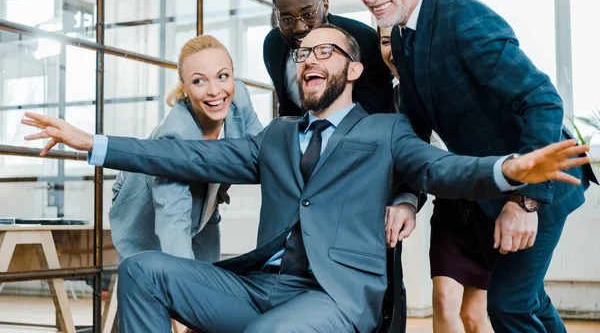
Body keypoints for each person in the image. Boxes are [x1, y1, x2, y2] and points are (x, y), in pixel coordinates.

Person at [21, 26, 590, 333]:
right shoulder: (275, 135)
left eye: (326, 49)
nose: (310, 58)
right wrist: (89, 142)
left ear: (355, 68)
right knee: (144, 270)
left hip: (335, 297)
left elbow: (441, 170)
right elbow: (184, 158)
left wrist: (508, 171)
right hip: (262, 287)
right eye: (303, 52)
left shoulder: (387, 132)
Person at [354, 0, 598, 332]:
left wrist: (526, 202)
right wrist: (406, 199)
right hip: (491, 193)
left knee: (509, 305)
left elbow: (542, 100)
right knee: (527, 299)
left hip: (543, 182)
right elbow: (414, 131)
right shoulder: (401, 37)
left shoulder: (461, 18)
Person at [109, 35, 263, 261]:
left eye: (223, 76)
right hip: (145, 210)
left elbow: (262, 152)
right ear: (184, 87)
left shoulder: (239, 97)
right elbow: (173, 220)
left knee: (209, 284)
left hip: (203, 207)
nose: (214, 91)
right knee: (165, 279)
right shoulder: (175, 135)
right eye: (199, 81)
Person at [380, 24, 493, 332]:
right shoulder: (391, 99)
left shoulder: (455, 81)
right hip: (449, 207)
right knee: (443, 300)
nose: (393, 49)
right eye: (385, 41)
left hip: (487, 206)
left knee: (475, 315)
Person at [263, 0, 393, 116]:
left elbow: (375, 108)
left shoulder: (365, 40)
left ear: (325, 5)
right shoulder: (273, 45)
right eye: (287, 19)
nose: (299, 27)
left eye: (308, 14)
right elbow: (288, 110)